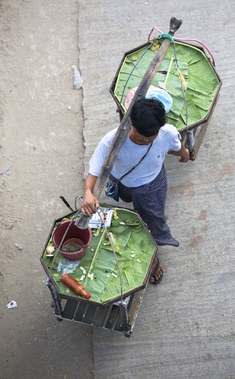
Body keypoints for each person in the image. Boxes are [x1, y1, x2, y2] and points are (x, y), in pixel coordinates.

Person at [81, 97, 189, 284]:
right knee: (127, 200)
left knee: (152, 221)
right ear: (132, 124)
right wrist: (88, 193)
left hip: (152, 184)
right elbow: (94, 172)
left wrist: (184, 156)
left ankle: (152, 254)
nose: (146, 140)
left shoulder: (167, 133)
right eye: (141, 136)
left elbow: (180, 150)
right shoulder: (112, 141)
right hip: (124, 183)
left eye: (151, 136)